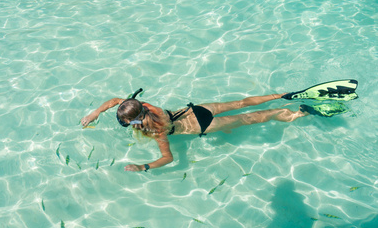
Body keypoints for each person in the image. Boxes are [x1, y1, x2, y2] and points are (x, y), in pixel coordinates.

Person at [80, 89, 313, 172]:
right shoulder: (149, 107)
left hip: (203, 125)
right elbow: (114, 100)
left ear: (135, 121)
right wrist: (95, 112)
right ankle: (281, 95)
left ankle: (293, 113)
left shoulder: (157, 130)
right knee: (242, 103)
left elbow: (168, 158)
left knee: (247, 119)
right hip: (196, 110)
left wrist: (144, 166)